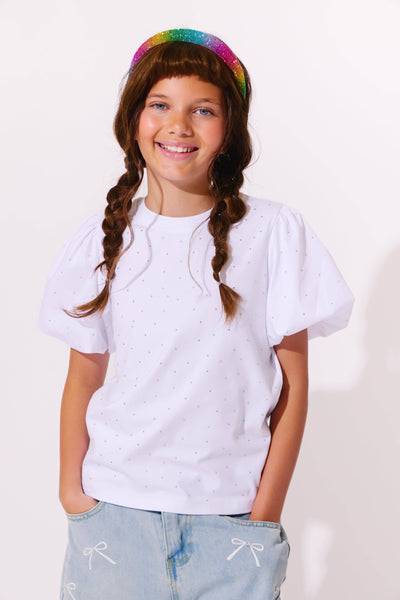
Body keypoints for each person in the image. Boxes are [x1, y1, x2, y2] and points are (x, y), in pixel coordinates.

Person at [39, 28, 354, 600]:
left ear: (229, 128)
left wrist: (264, 516)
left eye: (202, 110)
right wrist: (73, 495)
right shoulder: (104, 239)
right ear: (133, 119)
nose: (178, 125)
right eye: (160, 105)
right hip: (113, 517)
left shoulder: (273, 233)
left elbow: (294, 386)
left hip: (231, 524)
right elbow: (83, 376)